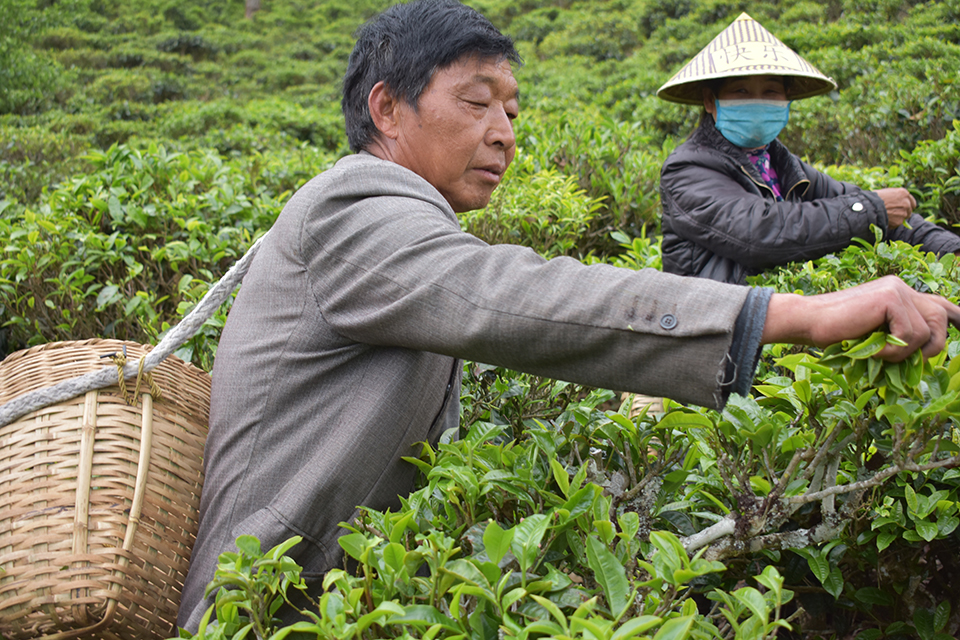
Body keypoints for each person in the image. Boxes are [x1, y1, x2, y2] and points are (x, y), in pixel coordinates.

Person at [177, 1, 960, 631]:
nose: (504, 134)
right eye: (477, 103)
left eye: (511, 111)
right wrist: (793, 316)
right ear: (387, 108)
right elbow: (512, 293)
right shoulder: (355, 205)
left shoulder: (400, 213)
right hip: (261, 606)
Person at [656, 13, 960, 285]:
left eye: (771, 91)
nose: (759, 101)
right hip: (712, 332)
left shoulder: (784, 166)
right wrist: (872, 211)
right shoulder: (687, 169)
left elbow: (865, 208)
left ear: (787, 100)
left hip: (779, 319)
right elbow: (761, 234)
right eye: (741, 90)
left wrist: (950, 250)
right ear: (711, 101)